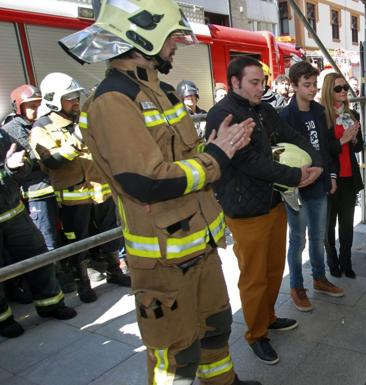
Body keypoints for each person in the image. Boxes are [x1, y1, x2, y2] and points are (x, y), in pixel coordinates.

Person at [59, 1, 260, 383]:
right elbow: (147, 181)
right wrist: (215, 157)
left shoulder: (161, 92)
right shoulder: (112, 101)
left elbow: (182, 160)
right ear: (141, 36)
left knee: (216, 328)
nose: (176, 46)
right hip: (163, 263)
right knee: (176, 355)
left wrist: (213, 149)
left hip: (198, 246)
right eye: (171, 37)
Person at [204, 56, 322, 365]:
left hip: (272, 202)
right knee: (254, 277)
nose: (261, 87)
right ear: (234, 82)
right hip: (245, 210)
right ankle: (256, 335)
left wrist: (316, 159)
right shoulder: (222, 115)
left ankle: (268, 317)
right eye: (254, 82)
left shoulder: (263, 109)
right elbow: (251, 163)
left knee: (272, 270)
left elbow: (289, 135)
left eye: (263, 82)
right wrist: (297, 176)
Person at [30, 73, 131, 304]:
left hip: (101, 192)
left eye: (77, 95)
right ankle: (82, 284)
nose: (76, 101)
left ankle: (115, 272)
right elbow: (52, 162)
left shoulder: (83, 120)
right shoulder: (42, 127)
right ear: (53, 99)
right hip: (74, 199)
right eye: (69, 97)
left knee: (108, 237)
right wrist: (76, 139)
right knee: (78, 244)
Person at [278, 61, 345, 312]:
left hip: (320, 185)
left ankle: (319, 278)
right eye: (307, 85)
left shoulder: (319, 111)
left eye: (314, 84)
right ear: (293, 85)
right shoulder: (284, 116)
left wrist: (333, 176)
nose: (313, 89)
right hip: (295, 189)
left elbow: (327, 148)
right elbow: (281, 153)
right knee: (298, 240)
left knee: (318, 238)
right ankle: (296, 287)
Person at [0, 129, 77, 338]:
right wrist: (7, 169)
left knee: (38, 258)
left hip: (14, 213)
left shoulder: (1, 135)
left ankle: (50, 305)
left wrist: (20, 166)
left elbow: (26, 166)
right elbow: (6, 170)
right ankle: (4, 321)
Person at [3, 85, 75, 294]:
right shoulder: (12, 129)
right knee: (47, 237)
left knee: (66, 233)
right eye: (30, 106)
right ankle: (57, 278)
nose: (36, 110)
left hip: (56, 187)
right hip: (36, 193)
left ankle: (69, 270)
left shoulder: (46, 123)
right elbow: (33, 159)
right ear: (19, 107)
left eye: (38, 105)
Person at [320, 72, 363, 278]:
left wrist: (354, 140)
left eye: (345, 87)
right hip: (330, 178)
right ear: (329, 90)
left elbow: (359, 147)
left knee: (347, 225)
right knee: (328, 225)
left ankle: (346, 262)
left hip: (349, 178)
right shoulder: (321, 116)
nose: (344, 91)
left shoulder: (352, 115)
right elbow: (321, 149)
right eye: (338, 88)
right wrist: (342, 141)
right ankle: (332, 262)